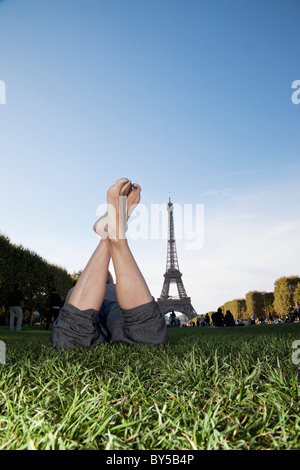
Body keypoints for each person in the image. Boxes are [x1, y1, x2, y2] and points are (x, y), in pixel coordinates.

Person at [50, 178, 168, 350]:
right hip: (118, 303)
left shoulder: (75, 291)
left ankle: (110, 237)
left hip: (87, 302)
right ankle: (114, 237)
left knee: (69, 339)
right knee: (147, 337)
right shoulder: (114, 289)